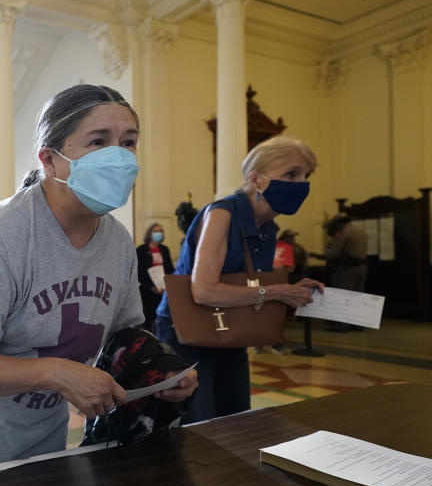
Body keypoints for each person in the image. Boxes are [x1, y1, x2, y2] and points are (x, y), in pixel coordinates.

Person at [0, 84, 197, 471]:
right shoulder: (0, 238)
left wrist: (160, 369)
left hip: (41, 423)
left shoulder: (117, 241)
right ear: (50, 159)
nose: (119, 156)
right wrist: (56, 372)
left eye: (128, 142)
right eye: (98, 141)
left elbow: (122, 334)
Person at [155, 136, 324, 424]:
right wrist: (275, 292)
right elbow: (204, 290)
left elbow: (247, 284)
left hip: (230, 329)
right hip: (189, 331)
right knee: (199, 422)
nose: (301, 184)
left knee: (236, 418)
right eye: (291, 174)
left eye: (306, 176)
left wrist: (292, 291)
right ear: (256, 179)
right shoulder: (223, 213)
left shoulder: (268, 226)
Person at [321, 215, 368, 332]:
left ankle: (342, 325)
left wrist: (327, 254)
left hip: (347, 269)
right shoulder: (361, 231)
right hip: (362, 267)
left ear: (338, 224)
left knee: (342, 296)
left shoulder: (343, 233)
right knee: (358, 296)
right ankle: (358, 324)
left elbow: (334, 253)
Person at [136, 223, 174, 332]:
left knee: (162, 317)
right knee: (148, 318)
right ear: (149, 233)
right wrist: (151, 287)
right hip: (148, 291)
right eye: (156, 231)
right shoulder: (141, 250)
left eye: (161, 231)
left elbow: (170, 269)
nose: (159, 233)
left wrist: (168, 285)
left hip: (164, 290)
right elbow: (139, 272)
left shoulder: (164, 249)